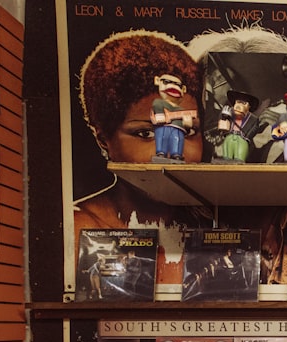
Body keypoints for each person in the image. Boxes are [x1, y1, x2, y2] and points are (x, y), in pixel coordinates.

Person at [74, 30, 207, 294]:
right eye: (145, 134)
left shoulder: (212, 228)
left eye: (188, 132)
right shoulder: (80, 227)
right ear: (103, 139)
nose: (171, 151)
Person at [151, 72, 196, 162]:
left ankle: (176, 155)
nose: (173, 86)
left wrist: (187, 123)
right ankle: (161, 153)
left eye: (177, 85)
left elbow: (188, 124)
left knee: (177, 140)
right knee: (162, 138)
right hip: (162, 127)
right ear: (157, 81)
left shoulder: (182, 109)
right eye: (167, 82)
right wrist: (161, 117)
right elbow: (157, 111)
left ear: (183, 89)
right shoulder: (158, 102)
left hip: (178, 128)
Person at [218, 90, 263, 162]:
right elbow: (221, 124)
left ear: (249, 107)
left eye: (244, 103)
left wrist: (245, 137)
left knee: (239, 160)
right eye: (238, 102)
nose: (239, 106)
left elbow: (254, 129)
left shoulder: (253, 119)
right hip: (229, 137)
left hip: (241, 139)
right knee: (226, 159)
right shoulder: (229, 113)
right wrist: (224, 117)